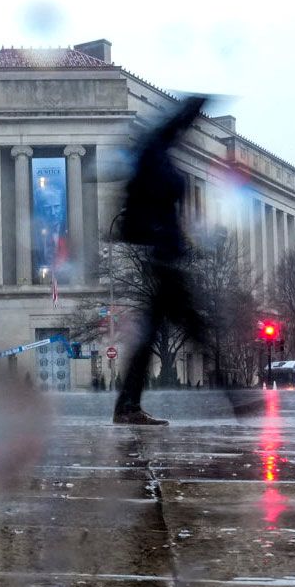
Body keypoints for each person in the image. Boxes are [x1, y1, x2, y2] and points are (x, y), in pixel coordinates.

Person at [112, 97, 209, 425]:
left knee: (158, 331)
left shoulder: (159, 155)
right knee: (194, 326)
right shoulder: (153, 154)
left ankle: (127, 406)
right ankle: (235, 395)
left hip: (166, 254)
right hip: (163, 257)